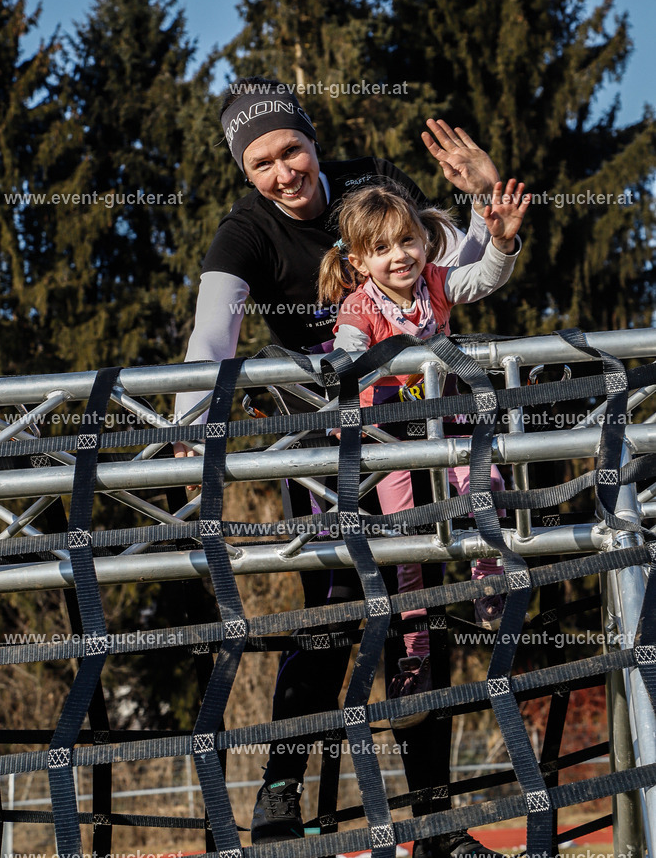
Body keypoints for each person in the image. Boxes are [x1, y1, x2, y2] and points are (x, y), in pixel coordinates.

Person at [174, 77, 515, 858]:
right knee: (329, 613)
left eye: (290, 150)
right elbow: (214, 331)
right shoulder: (245, 233)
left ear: (312, 140)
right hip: (329, 451)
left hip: (417, 432)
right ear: (244, 170)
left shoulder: (374, 186)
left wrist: (486, 197)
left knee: (424, 610)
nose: (282, 172)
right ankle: (280, 803)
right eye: (261, 163)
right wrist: (196, 425)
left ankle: (436, 824)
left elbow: (444, 273)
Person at [318, 182, 528, 730]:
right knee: (405, 539)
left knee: (486, 482)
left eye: (407, 240)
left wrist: (501, 245)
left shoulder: (435, 282)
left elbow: (480, 279)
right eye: (383, 249)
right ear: (360, 261)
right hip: (388, 429)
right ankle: (415, 654)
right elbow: (346, 347)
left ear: (422, 240)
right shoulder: (360, 305)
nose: (400, 256)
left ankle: (487, 579)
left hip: (442, 412)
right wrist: (344, 363)